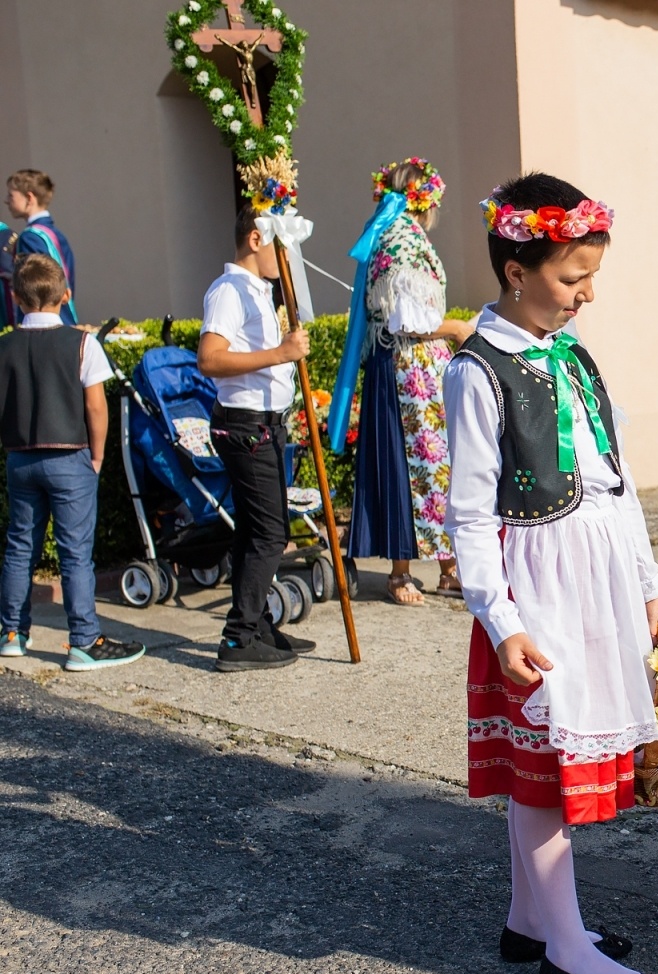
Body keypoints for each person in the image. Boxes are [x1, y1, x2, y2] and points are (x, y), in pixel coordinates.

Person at [444, 172, 658, 974]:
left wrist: (645, 583)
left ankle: (529, 919)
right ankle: (566, 948)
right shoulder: (478, 371)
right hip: (540, 591)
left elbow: (618, 479)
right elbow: (468, 514)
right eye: (573, 277)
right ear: (515, 269)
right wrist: (500, 622)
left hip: (598, 580)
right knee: (545, 772)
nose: (587, 295)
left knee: (556, 761)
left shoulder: (572, 355)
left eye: (590, 275)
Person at [0, 256, 144, 670]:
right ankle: (83, 640)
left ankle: (12, 632)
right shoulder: (83, 344)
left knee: (19, 545)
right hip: (70, 456)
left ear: (15, 298)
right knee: (75, 552)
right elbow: (96, 408)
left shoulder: (4, 347)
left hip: (21, 459)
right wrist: (97, 455)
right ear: (66, 296)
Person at [343, 158, 473, 603]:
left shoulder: (393, 236)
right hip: (407, 370)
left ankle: (447, 566)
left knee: (436, 466)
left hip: (413, 368)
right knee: (411, 465)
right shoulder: (402, 241)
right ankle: (401, 572)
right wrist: (456, 328)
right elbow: (407, 320)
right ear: (425, 199)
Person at [197, 208, 316, 672]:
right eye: (279, 247)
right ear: (254, 240)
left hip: (264, 422)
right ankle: (239, 637)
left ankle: (258, 624)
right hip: (245, 424)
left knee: (254, 529)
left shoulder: (258, 292)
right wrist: (280, 353)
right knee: (270, 533)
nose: (284, 258)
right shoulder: (229, 290)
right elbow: (210, 358)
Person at [6, 170, 77, 326]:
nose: (6, 201)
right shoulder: (56, 234)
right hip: (64, 317)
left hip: (42, 323)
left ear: (29, 198)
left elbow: (33, 285)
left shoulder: (30, 237)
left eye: (11, 195)